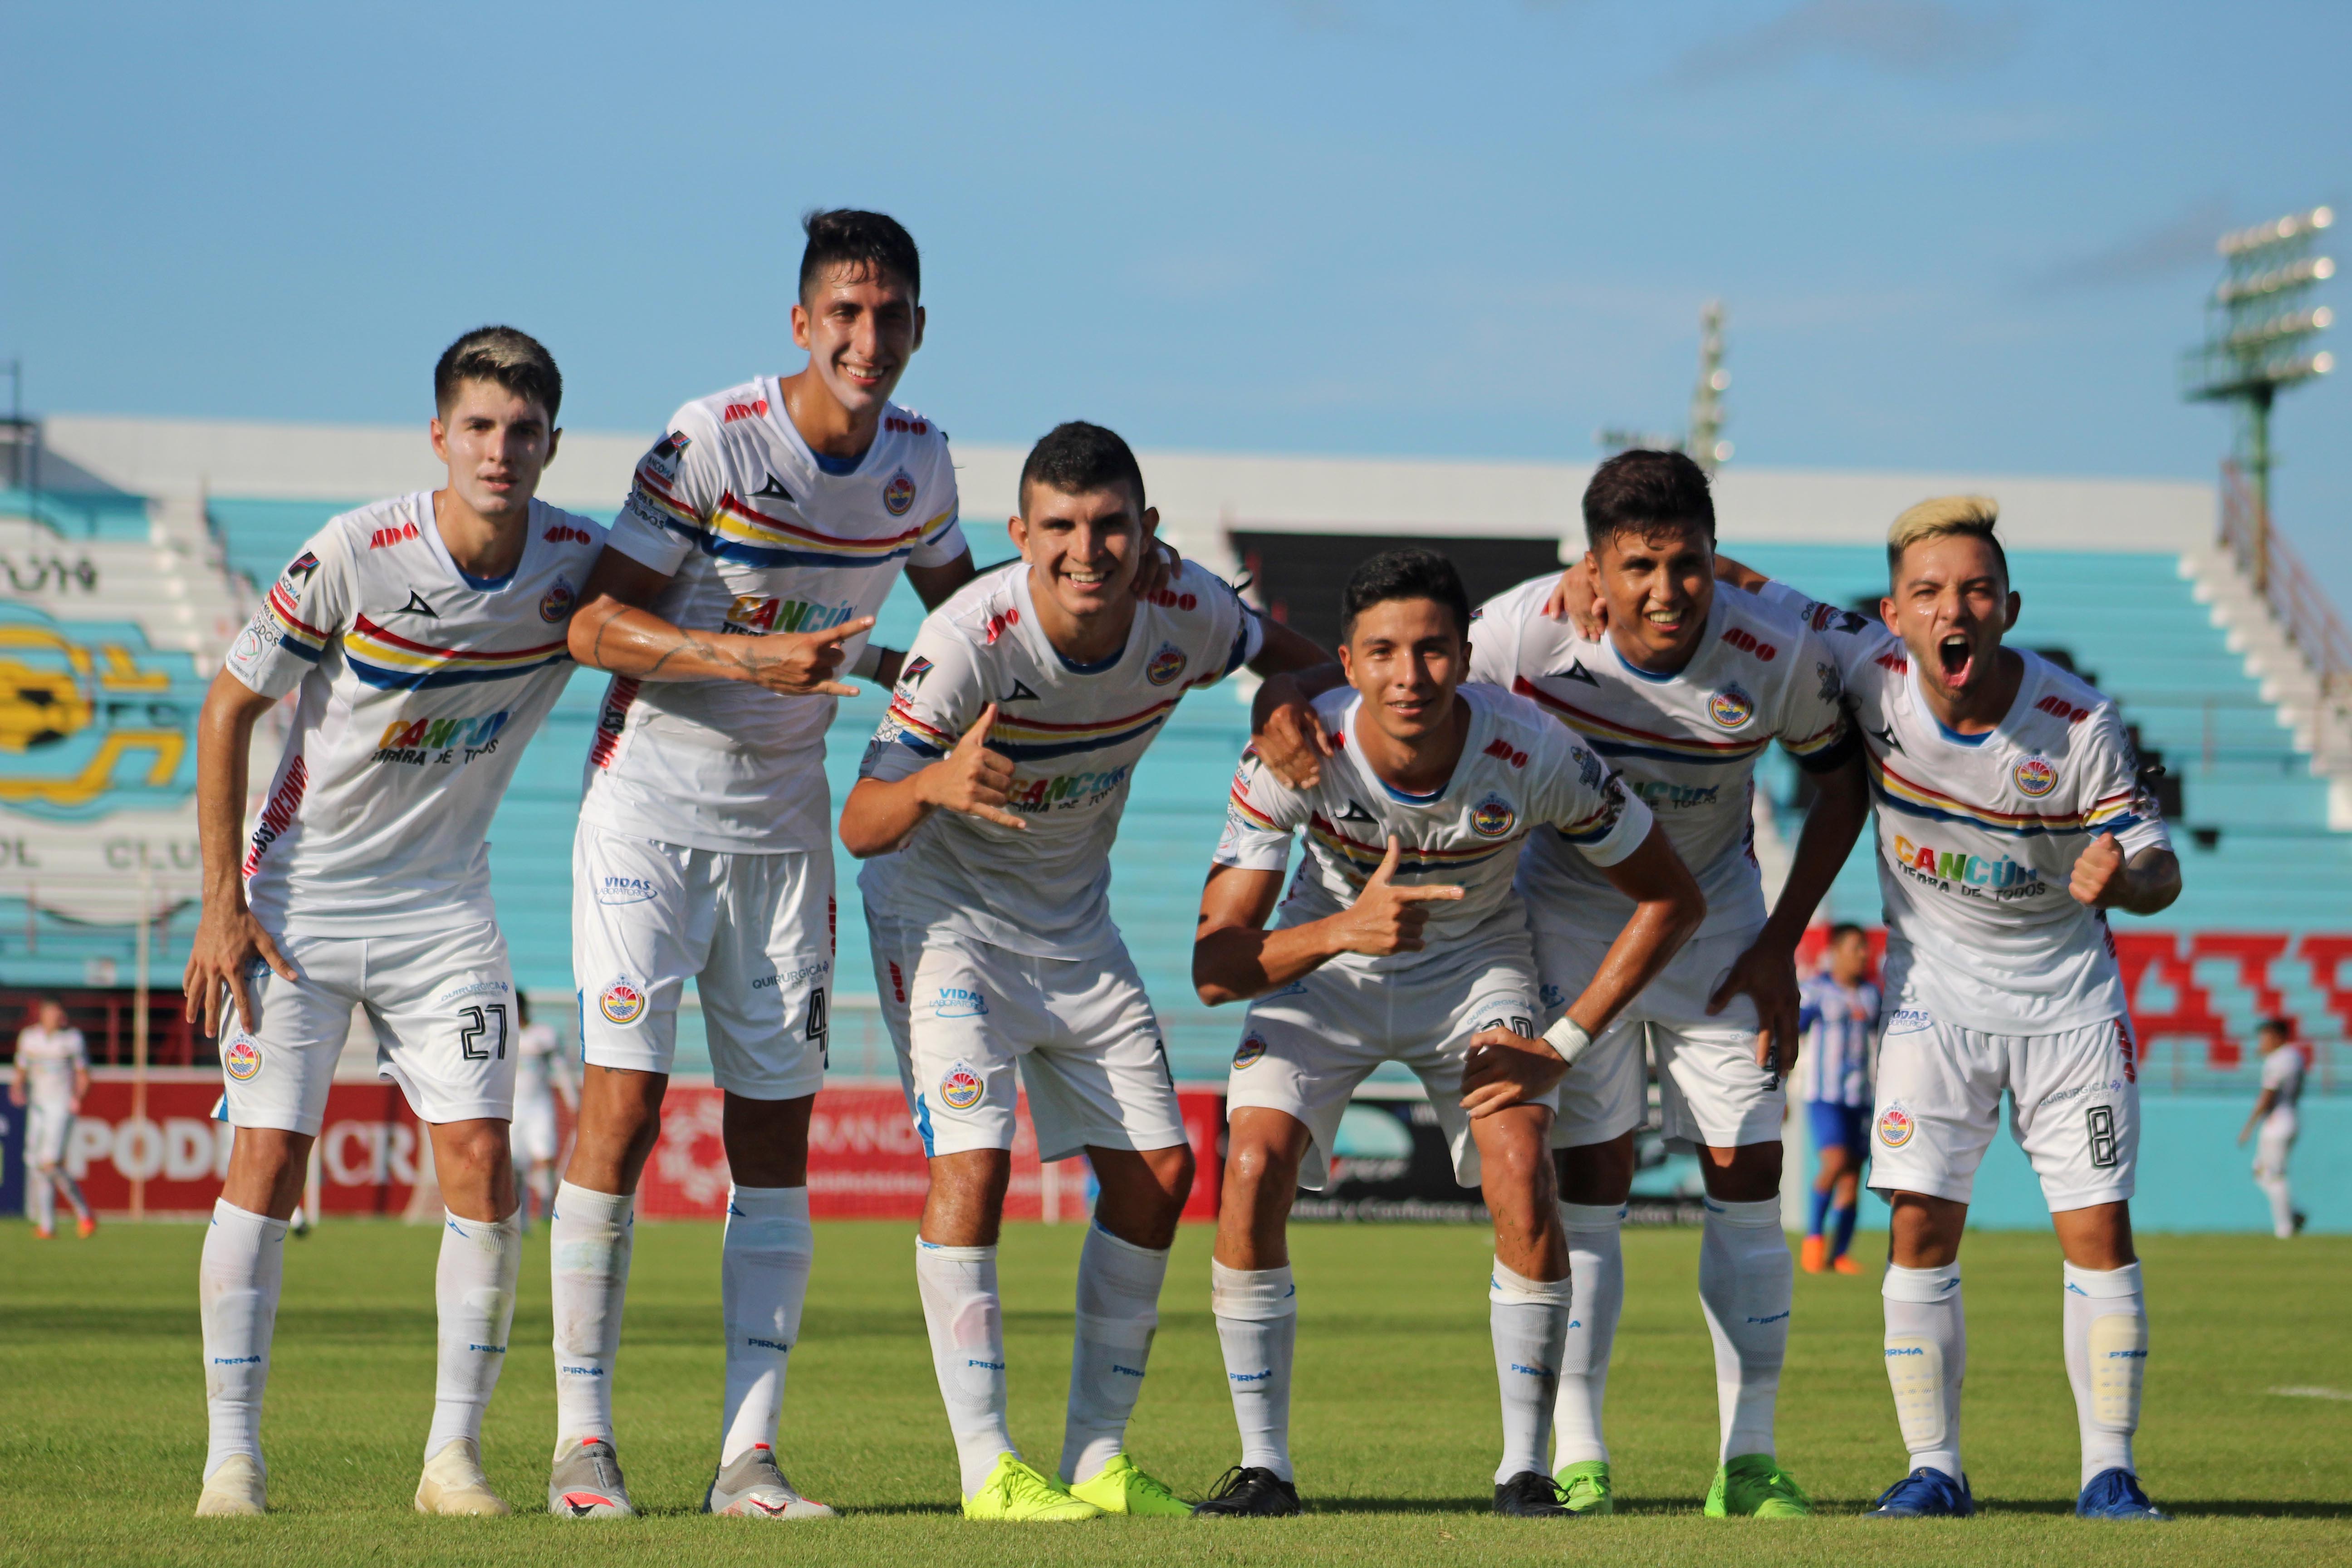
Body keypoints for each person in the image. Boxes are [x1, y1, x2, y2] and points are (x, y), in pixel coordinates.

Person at [549, 210, 973, 1523]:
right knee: (624, 1109)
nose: (866, 336)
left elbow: (965, 631)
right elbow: (591, 624)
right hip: (649, 811)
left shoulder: (922, 463)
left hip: (785, 833)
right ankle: (581, 1446)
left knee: (774, 1135)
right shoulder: (716, 438)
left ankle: (749, 1459)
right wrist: (744, 657)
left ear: (918, 328)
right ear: (802, 323)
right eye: (844, 312)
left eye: (889, 314)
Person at [840, 420, 1329, 1523]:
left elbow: (1301, 664)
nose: (1086, 549)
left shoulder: (1187, 608)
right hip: (946, 920)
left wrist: (1278, 703)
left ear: (1147, 532)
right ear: (1020, 535)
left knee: (1157, 1173)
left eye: (1110, 525)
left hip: (1074, 925)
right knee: (974, 1166)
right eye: (1059, 526)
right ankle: (987, 1469)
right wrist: (935, 783)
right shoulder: (969, 641)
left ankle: (1098, 1456)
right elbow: (861, 820)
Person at [181, 327, 605, 1518]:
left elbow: (677, 621)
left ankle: (451, 1462)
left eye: (523, 431)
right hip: (297, 905)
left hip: (444, 908)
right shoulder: (355, 554)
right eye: (478, 427)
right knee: (268, 1162)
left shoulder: (579, 563)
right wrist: (220, 904)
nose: (499, 450)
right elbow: (227, 710)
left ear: (551, 444)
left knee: (482, 1164)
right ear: (439, 436)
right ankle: (231, 1462)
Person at [1192, 549, 1705, 1518]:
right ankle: (1263, 1468)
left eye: (1431, 650)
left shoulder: (1533, 749)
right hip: (1327, 965)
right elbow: (1215, 969)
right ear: (1348, 663)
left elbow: (1671, 897)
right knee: (1252, 1166)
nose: (1410, 675)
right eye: (1383, 653)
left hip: (1474, 970)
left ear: (1466, 656)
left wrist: (1563, 1043)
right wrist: (1345, 931)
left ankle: (1525, 1471)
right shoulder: (1294, 753)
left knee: (1520, 1165)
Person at [1698, 496, 2182, 1522]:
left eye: (1973, 590)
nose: (1950, 609)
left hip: (2066, 1005)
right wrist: (1616, 569)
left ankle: (2108, 1472)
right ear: (1894, 613)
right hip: (1931, 1000)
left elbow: (2157, 866)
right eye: (1926, 592)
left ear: (2008, 606)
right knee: (1916, 1222)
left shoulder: (2077, 723)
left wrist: (2124, 880)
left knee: (2097, 1227)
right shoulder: (1863, 668)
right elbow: (1740, 582)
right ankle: (1934, 1468)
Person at [1476, 449, 1870, 1518]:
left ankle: (1749, 1458)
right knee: (1590, 1182)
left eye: (1687, 563)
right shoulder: (1524, 633)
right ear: (1594, 568)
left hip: (1718, 931)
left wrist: (1781, 941)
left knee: (1749, 1172)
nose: (1665, 589)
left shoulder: (1774, 653)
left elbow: (1841, 789)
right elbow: (1414, 699)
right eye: (1638, 566)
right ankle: (1580, 1453)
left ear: (1714, 556)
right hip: (1569, 921)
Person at [1797, 924, 1880, 1274]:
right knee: (1834, 1162)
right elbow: (1794, 1031)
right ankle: (1814, 1240)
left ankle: (1839, 1255)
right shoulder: (1816, 991)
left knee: (1851, 1177)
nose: (1863, 955)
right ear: (1835, 952)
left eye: (1865, 948)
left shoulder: (1871, 994)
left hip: (1860, 1097)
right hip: (1825, 1095)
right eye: (1856, 947)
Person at [11, 1000, 95, 1238]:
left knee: (50, 1163)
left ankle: (83, 1213)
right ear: (43, 1015)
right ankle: (47, 1225)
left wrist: (78, 1097)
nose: (55, 1017)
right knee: (36, 1165)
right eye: (51, 1013)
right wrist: (17, 1088)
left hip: (61, 1107)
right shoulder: (30, 1038)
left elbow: (84, 1074)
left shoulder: (72, 1040)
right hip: (37, 1108)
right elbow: (21, 1069)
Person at [510, 995, 575, 1233]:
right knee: (515, 1166)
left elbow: (560, 1069)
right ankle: (522, 1217)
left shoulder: (544, 1035)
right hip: (514, 1107)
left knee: (545, 1157)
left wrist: (572, 1100)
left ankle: (547, 1208)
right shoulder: (503, 1037)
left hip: (540, 1105)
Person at [2238, 1019, 2307, 1239]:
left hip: (2277, 1122)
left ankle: (2285, 1228)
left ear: (2278, 1037)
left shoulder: (2278, 1059)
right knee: (2261, 1172)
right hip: (2289, 1118)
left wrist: (2249, 1126)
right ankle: (2292, 1213)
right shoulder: (2295, 1056)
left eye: (2265, 1038)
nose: (2262, 1043)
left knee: (2274, 1175)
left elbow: (2268, 1095)